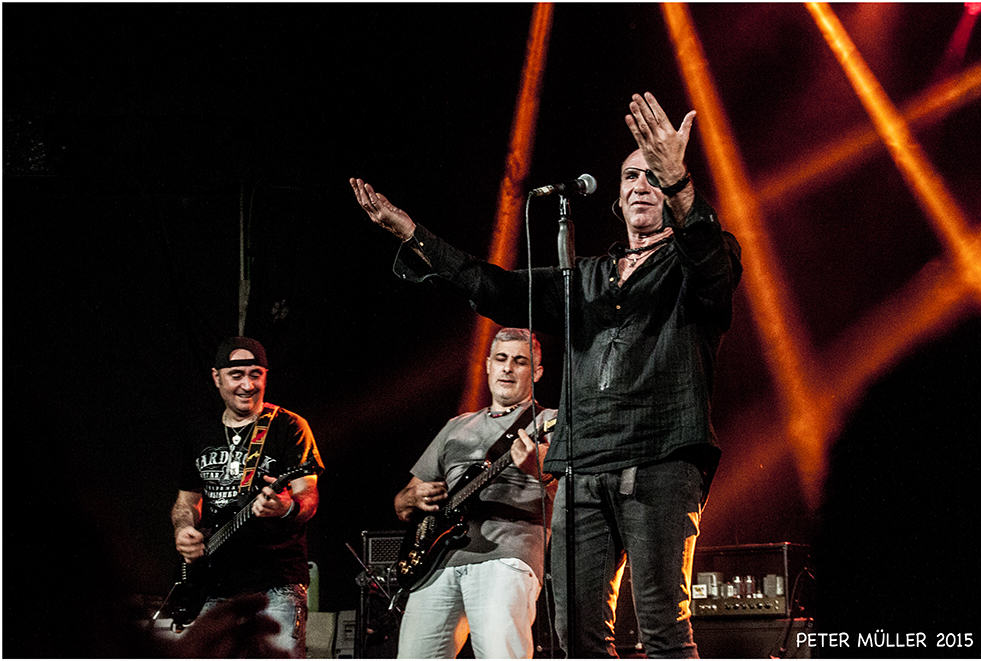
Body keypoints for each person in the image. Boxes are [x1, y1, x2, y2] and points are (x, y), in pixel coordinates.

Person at [350, 92, 742, 658]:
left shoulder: (698, 260)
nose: (642, 185)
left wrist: (679, 180)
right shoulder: (585, 277)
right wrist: (414, 236)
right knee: (577, 636)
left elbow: (711, 264)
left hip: (659, 460)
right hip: (581, 467)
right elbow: (494, 287)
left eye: (654, 176)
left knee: (662, 630)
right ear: (617, 197)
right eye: (632, 176)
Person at [392, 327, 557, 658]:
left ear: (537, 373)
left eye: (520, 361)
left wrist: (535, 466)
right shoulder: (456, 425)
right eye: (501, 358)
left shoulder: (551, 421)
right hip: (437, 561)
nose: (508, 367)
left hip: (507, 555)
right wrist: (413, 497)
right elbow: (403, 502)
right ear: (488, 365)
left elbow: (571, 489)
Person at [171, 336, 324, 657]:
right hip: (214, 584)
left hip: (276, 582)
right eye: (236, 375)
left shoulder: (289, 426)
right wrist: (183, 530)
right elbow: (186, 501)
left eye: (256, 375)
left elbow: (308, 496)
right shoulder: (200, 431)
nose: (247, 385)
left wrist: (285, 508)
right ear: (217, 378)